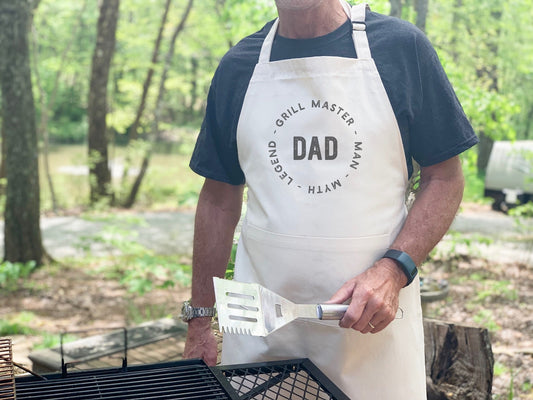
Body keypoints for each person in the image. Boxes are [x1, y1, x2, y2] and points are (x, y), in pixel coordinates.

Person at [182, 0, 478, 398]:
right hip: (261, 338)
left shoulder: (401, 49)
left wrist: (394, 270)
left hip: (372, 336)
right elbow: (218, 198)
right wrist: (200, 320)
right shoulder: (239, 67)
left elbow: (445, 177)